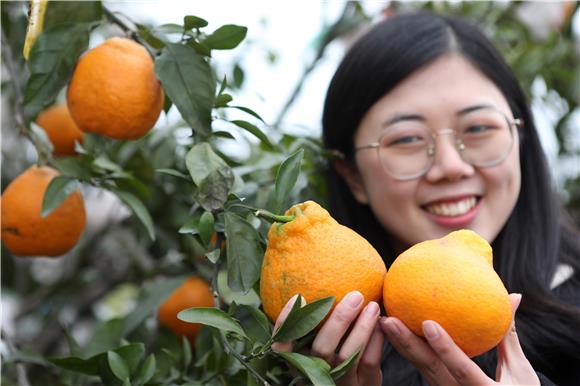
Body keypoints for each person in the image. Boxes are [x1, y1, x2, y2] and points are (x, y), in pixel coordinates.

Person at [272, 10, 580, 386]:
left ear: (521, 137)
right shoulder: (295, 341)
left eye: (480, 127)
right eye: (406, 139)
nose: (451, 166)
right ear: (353, 176)